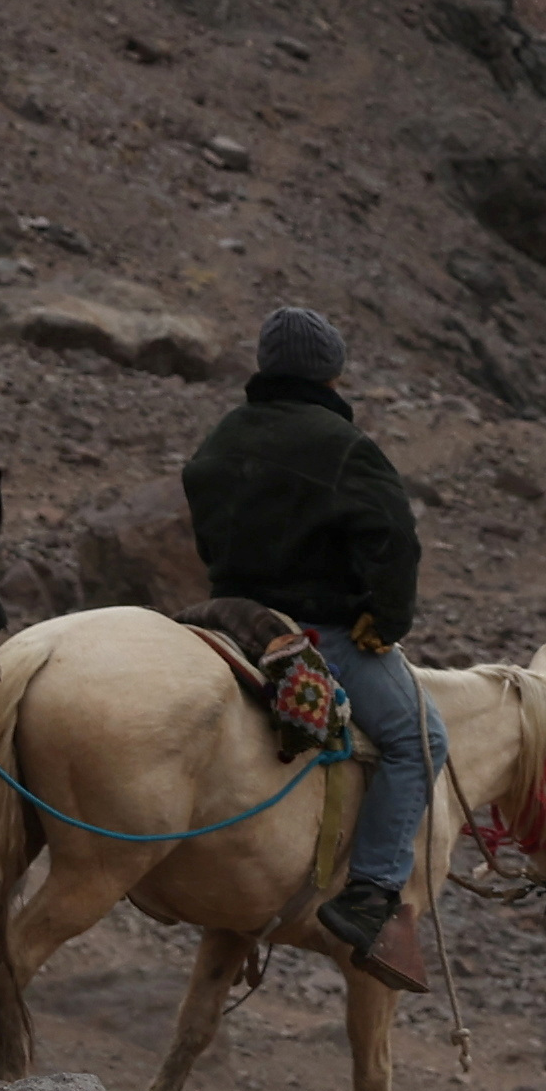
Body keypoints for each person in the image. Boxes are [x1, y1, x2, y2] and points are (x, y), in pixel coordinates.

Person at [181, 303, 439, 986]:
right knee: (420, 737)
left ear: (266, 367)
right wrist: (385, 620)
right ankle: (370, 894)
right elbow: (395, 543)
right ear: (332, 372)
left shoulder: (222, 437)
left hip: (230, 618)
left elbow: (206, 530)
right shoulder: (343, 445)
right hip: (316, 633)